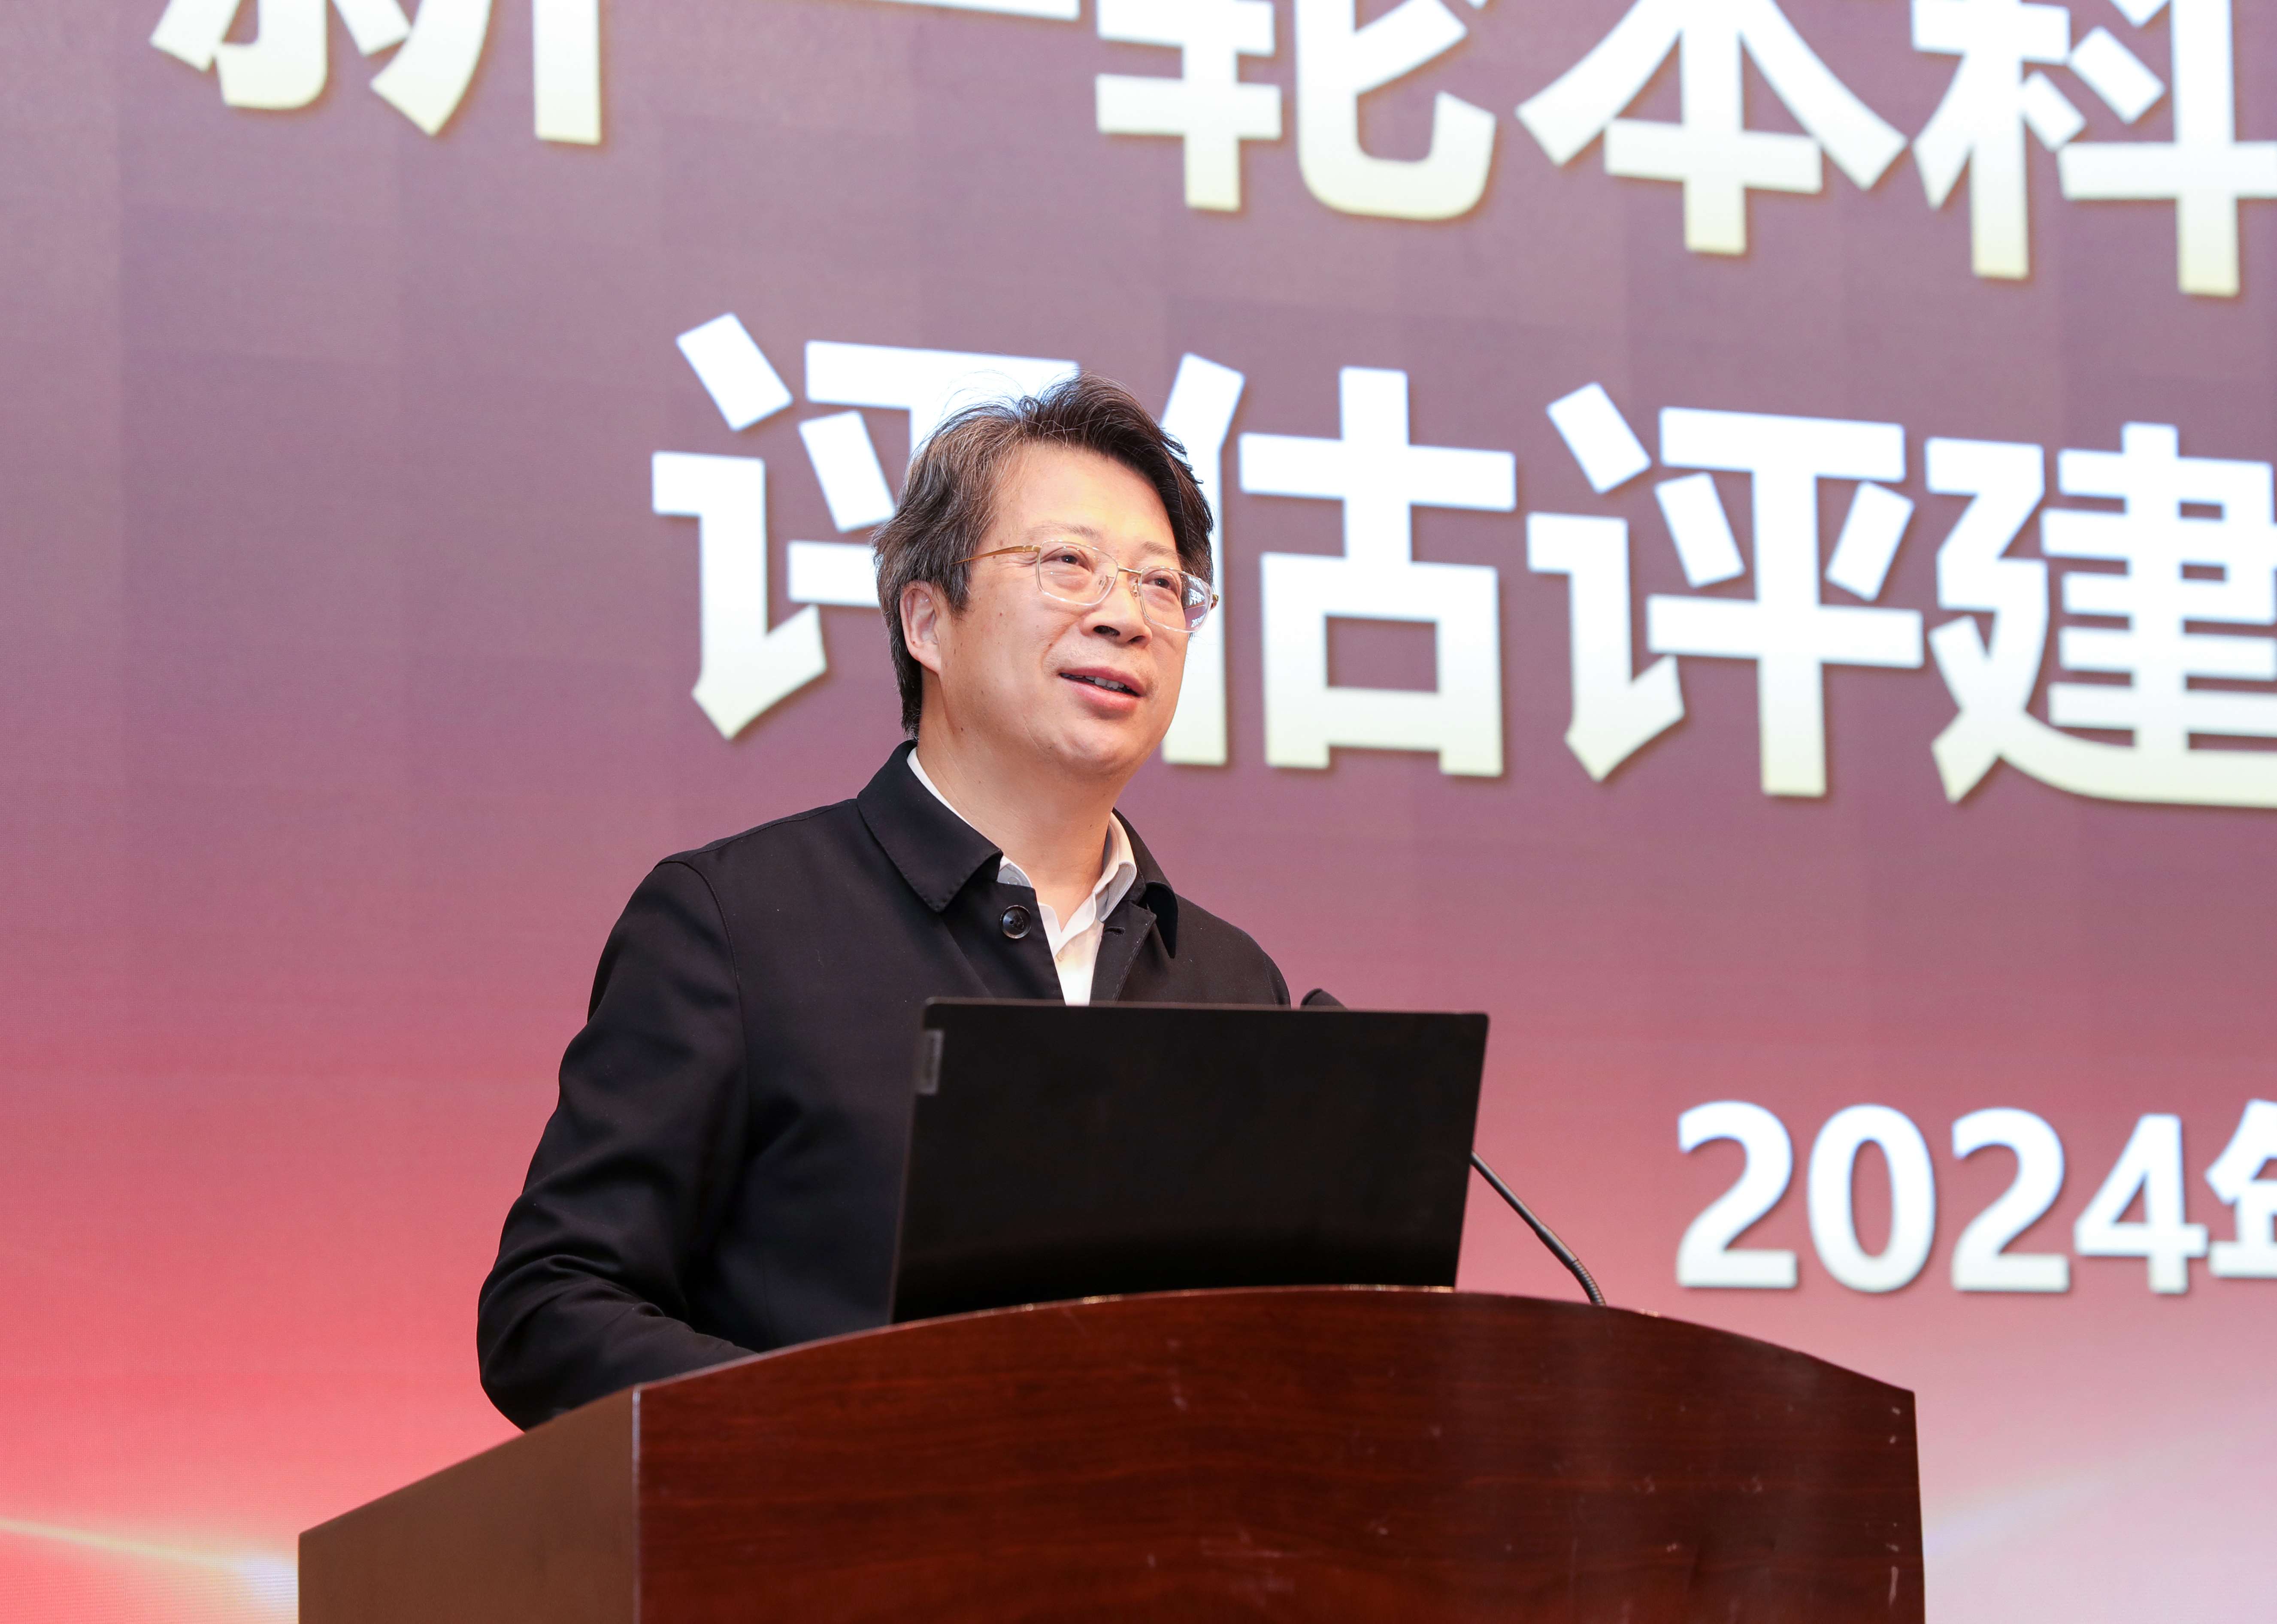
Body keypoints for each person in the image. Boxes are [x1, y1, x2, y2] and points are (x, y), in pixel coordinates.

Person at [476, 373, 1295, 1429]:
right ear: (927, 620)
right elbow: (551, 1306)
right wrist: (848, 1434)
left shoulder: (1232, 983)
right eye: (1067, 564)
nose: (1125, 617)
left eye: (1160, 584)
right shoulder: (735, 925)